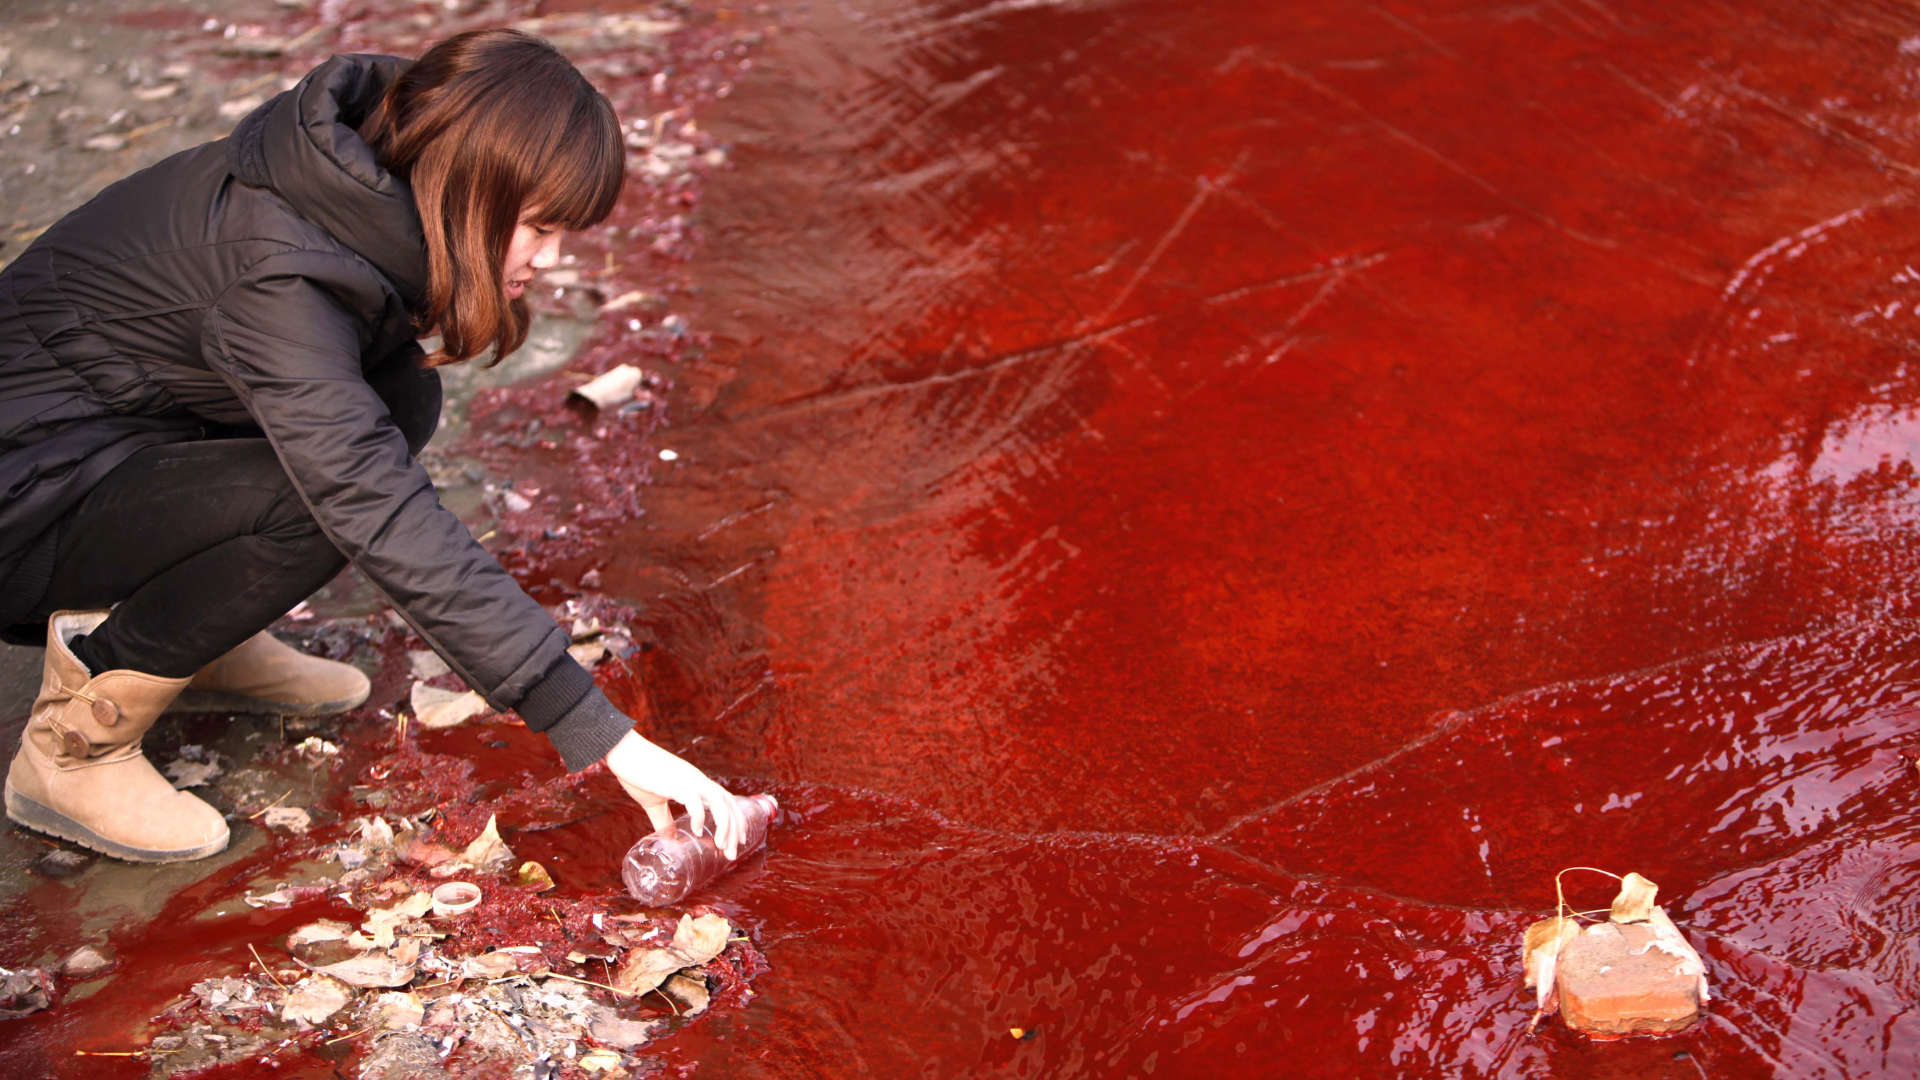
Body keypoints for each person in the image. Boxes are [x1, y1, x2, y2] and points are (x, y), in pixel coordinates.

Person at [0, 29, 744, 864]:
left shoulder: (363, 177)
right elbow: (367, 497)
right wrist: (590, 723)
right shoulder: (280, 270)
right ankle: (74, 745)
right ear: (469, 188)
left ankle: (188, 636)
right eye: (538, 228)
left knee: (398, 396)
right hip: (26, 500)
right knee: (328, 498)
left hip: (109, 439)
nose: (552, 259)